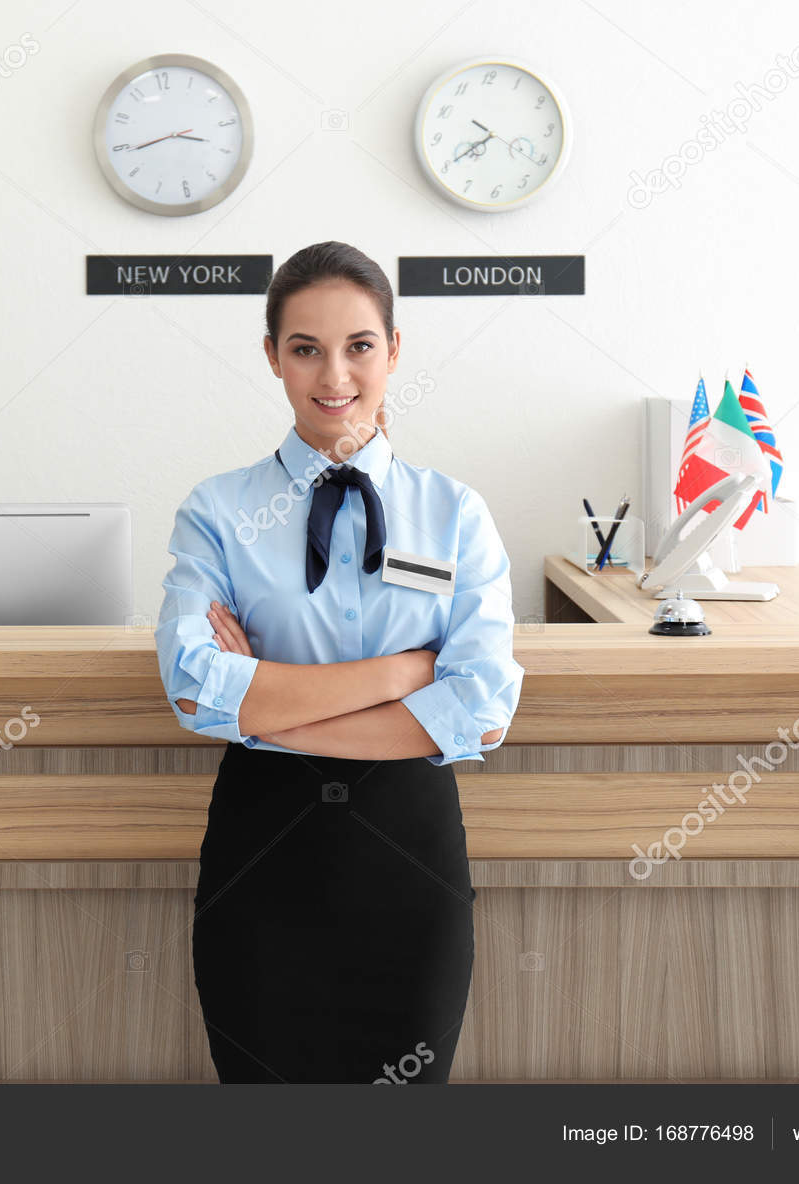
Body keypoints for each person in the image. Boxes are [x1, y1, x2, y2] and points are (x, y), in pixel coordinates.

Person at [155, 240, 523, 1083]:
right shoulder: (217, 511)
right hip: (264, 859)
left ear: (394, 350)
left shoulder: (454, 513)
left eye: (359, 345)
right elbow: (194, 690)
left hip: (408, 858)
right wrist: (402, 674)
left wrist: (269, 708)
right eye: (305, 348)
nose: (335, 375)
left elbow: (482, 711)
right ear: (272, 357)